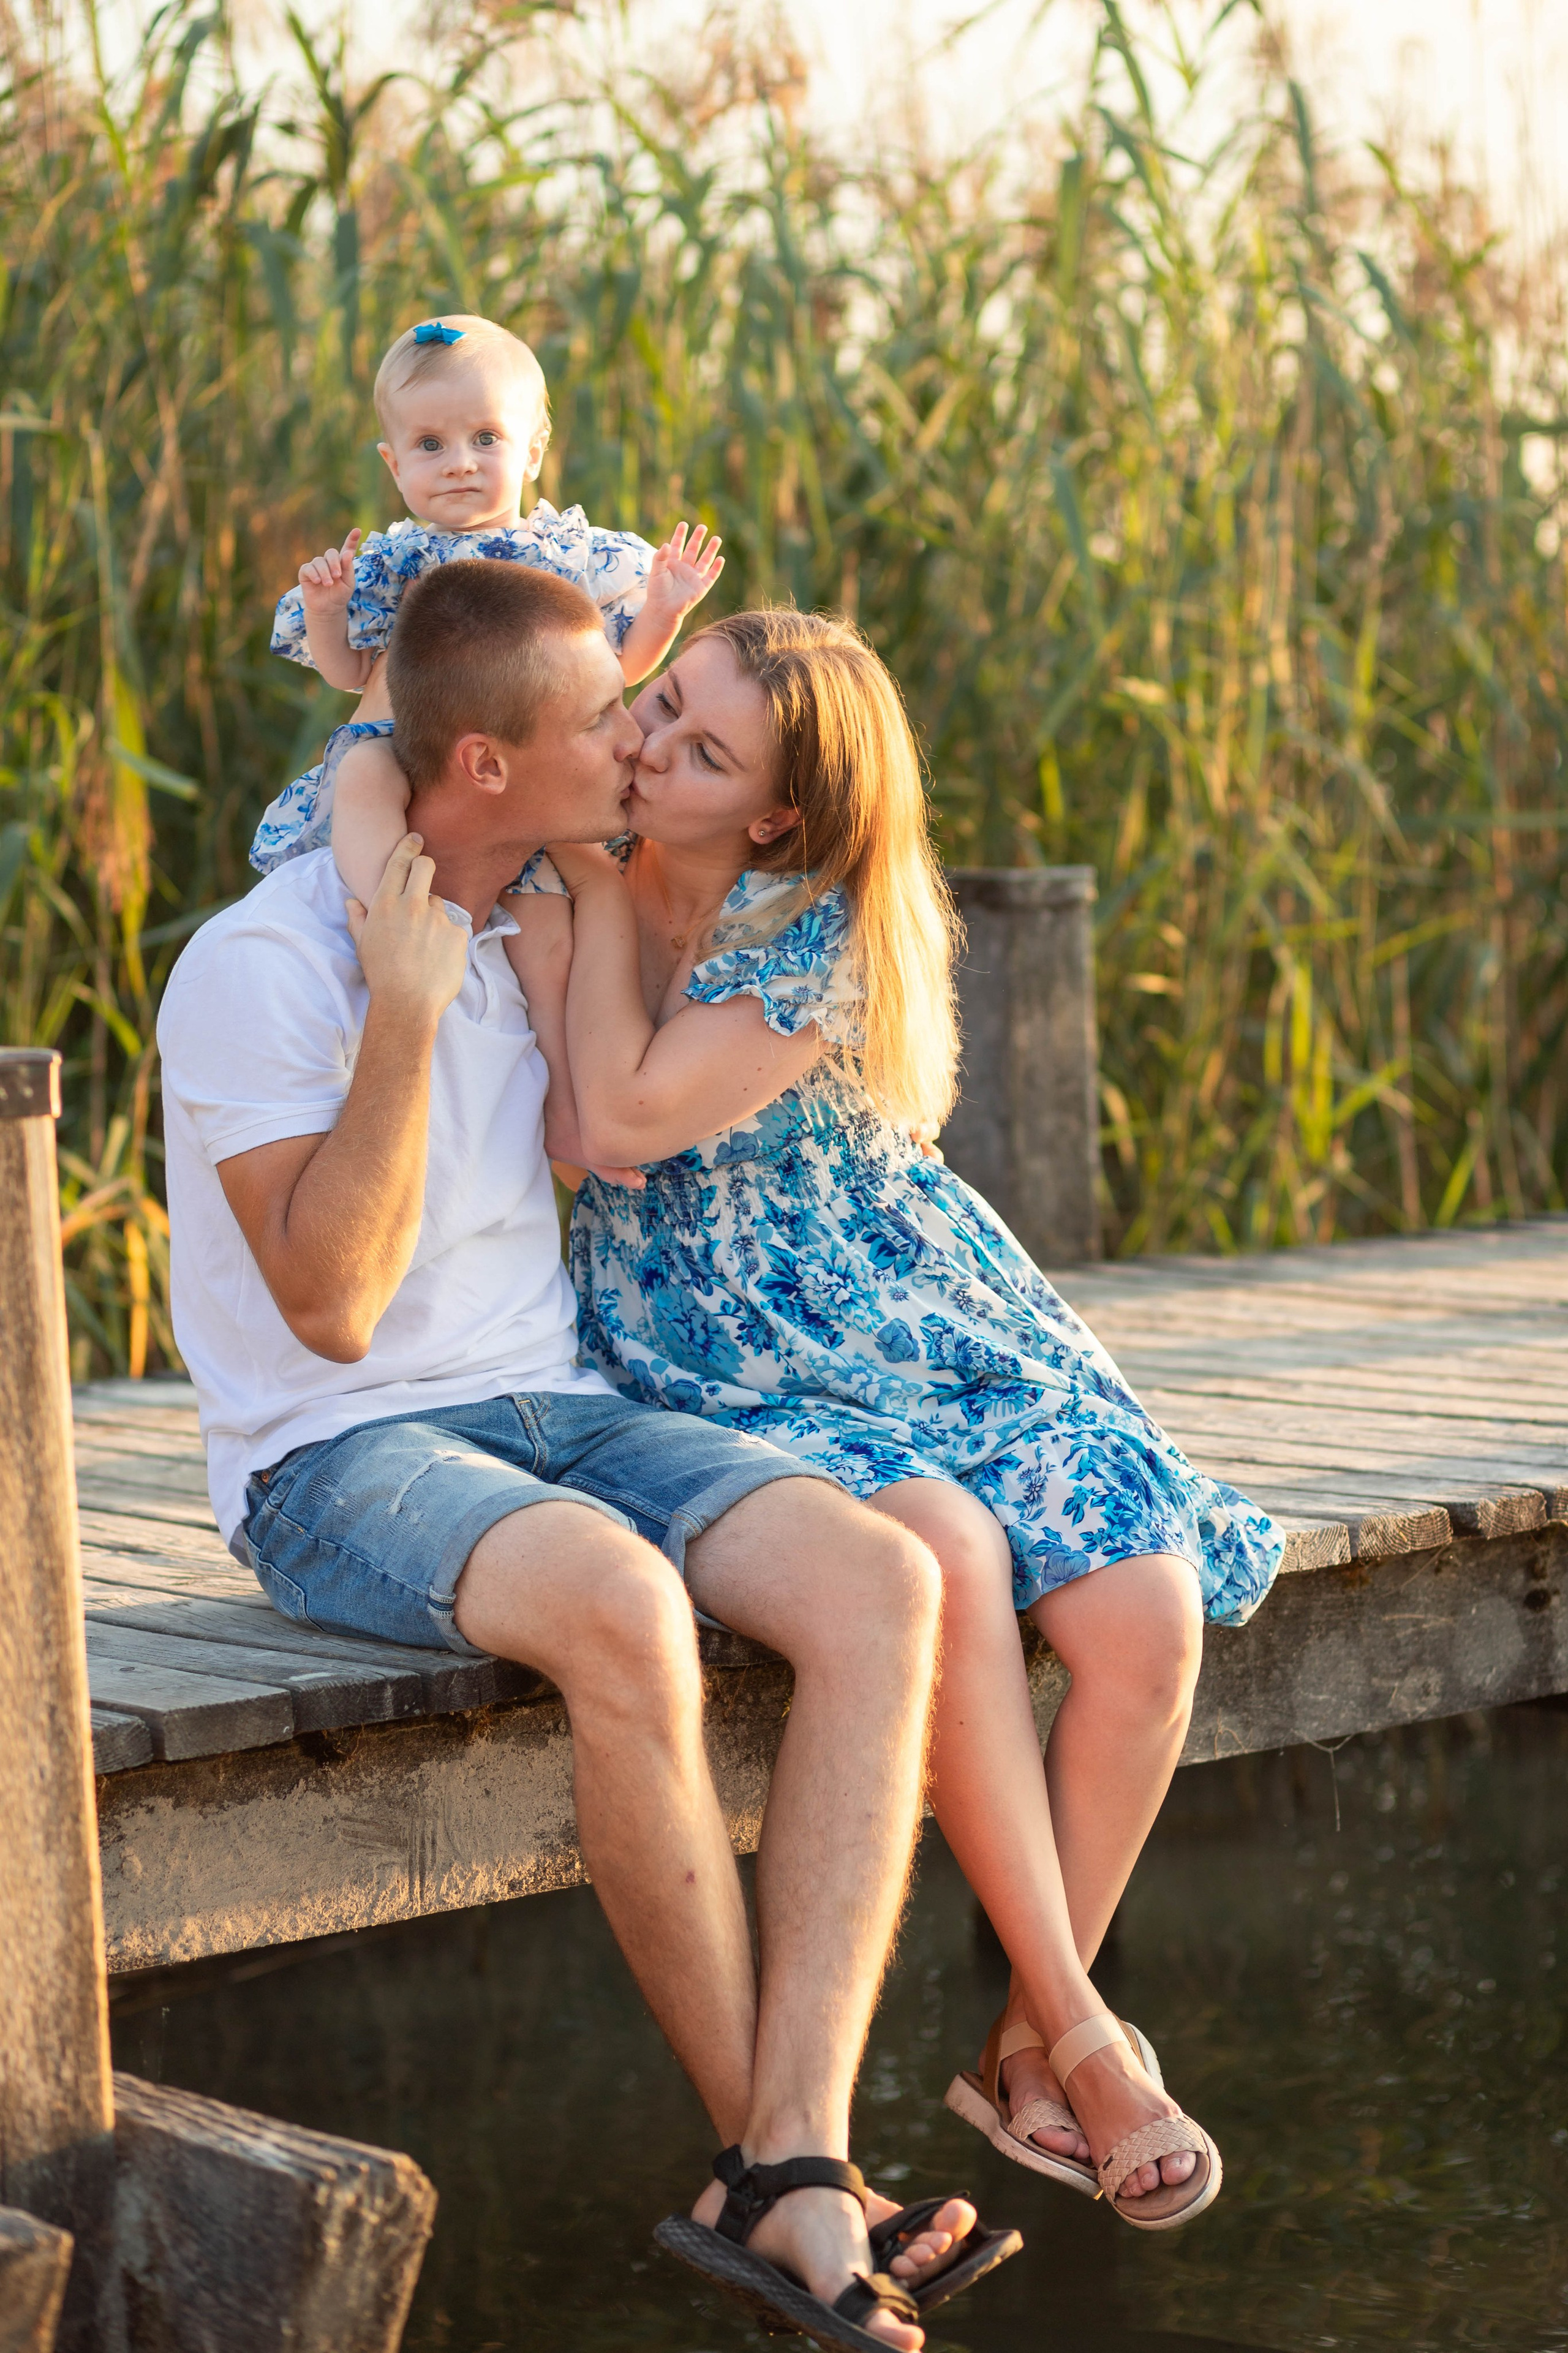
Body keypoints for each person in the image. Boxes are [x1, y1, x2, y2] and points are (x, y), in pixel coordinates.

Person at [157, 563, 1022, 2352]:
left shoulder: (534, 893)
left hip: (556, 1406)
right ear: (484, 765)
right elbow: (327, 1305)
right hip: (340, 1454)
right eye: (602, 719)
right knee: (625, 1598)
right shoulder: (262, 964)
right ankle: (787, 2179)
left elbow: (625, 1069)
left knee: (886, 1575)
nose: (632, 741)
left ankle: (783, 2159)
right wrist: (401, 1005)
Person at [333, 604, 1282, 2232]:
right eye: (663, 704)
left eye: (700, 749)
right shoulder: (589, 855)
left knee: (1146, 1611)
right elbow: (595, 1132)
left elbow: (616, 1100)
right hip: (722, 1340)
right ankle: (1084, 2033)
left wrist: (599, 932)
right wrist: (373, 684)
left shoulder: (816, 926)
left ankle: (1023, 2039)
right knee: (946, 1554)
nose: (648, 741)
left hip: (907, 1297)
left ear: (771, 811)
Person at [249, 311, 723, 882]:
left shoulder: (567, 560)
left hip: (526, 777)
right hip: (408, 753)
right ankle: (386, 915)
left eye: (486, 438)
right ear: (394, 465)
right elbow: (350, 672)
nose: (460, 463)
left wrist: (663, 613)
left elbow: (618, 672)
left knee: (548, 928)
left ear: (532, 453)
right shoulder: (390, 567)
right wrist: (327, 611)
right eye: (430, 444)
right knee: (362, 775)